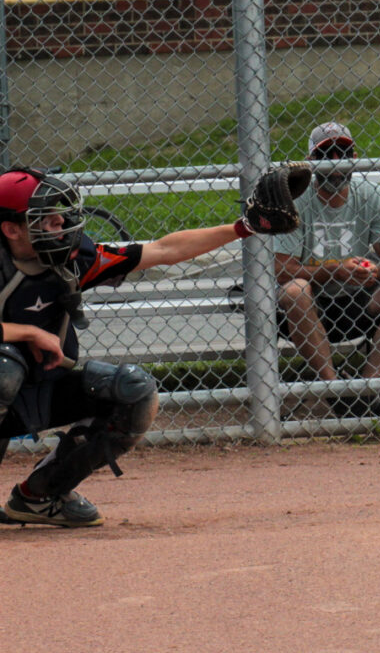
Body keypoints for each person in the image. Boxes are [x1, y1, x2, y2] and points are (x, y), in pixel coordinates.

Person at [0, 165, 297, 527]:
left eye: (60, 215)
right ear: (11, 229)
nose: (62, 222)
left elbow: (164, 250)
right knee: (4, 370)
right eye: (46, 219)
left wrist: (246, 227)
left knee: (132, 392)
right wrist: (28, 333)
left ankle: (40, 496)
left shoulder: (73, 260)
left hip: (37, 388)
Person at [272, 122, 380, 420]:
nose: (335, 163)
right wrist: (334, 270)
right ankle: (335, 390)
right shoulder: (295, 198)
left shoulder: (370, 194)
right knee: (295, 289)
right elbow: (282, 269)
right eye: (326, 155)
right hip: (309, 304)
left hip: (359, 298)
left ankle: (369, 384)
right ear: (312, 162)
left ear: (354, 156)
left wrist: (376, 273)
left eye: (342, 153)